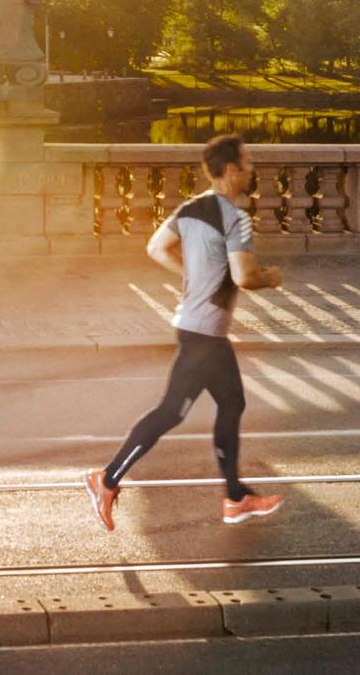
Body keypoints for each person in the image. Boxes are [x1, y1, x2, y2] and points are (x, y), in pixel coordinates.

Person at [84, 133, 283, 529]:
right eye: (247, 164)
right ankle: (105, 479)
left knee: (227, 404)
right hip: (205, 333)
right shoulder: (235, 218)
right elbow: (244, 276)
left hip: (196, 328)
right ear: (230, 171)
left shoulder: (190, 210)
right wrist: (269, 277)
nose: (252, 170)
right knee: (172, 412)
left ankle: (235, 496)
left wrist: (194, 278)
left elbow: (156, 248)